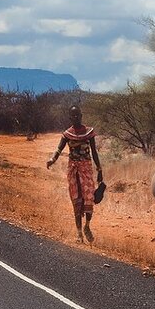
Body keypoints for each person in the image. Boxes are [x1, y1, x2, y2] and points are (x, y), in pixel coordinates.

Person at [46, 104, 104, 243]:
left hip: (86, 169)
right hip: (73, 170)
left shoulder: (88, 132)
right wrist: (52, 160)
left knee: (89, 197)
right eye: (73, 116)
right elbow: (59, 149)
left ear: (81, 116)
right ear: (70, 117)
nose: (76, 117)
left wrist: (100, 170)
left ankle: (87, 226)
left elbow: (94, 152)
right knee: (76, 200)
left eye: (78, 115)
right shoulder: (67, 134)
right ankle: (79, 234)